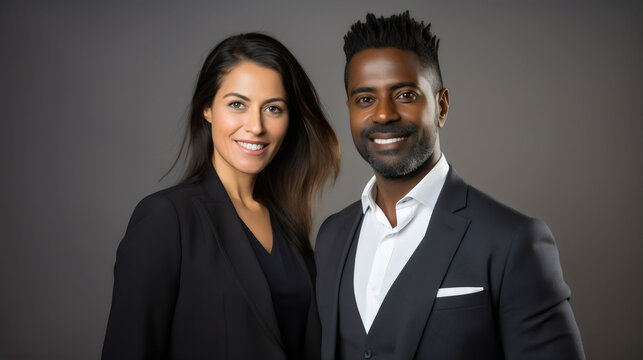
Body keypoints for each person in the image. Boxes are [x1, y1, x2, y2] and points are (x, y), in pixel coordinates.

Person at [314, 12, 585, 359]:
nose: (383, 114)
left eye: (406, 95)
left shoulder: (513, 241)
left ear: (441, 106)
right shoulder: (332, 237)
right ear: (350, 109)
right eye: (365, 99)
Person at [102, 33, 340, 359]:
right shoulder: (166, 218)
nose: (255, 126)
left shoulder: (289, 228)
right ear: (207, 108)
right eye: (237, 104)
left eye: (272, 108)